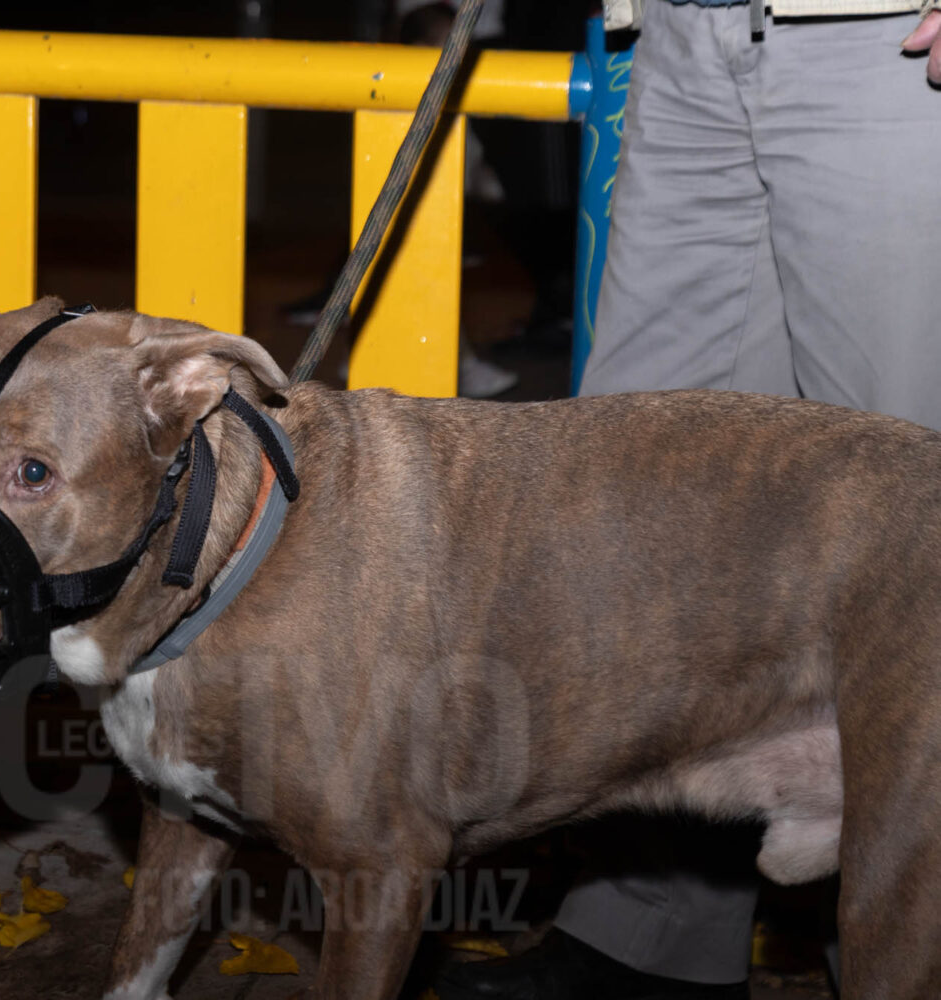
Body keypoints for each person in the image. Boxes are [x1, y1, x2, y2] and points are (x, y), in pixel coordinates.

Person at [440, 0, 941, 997]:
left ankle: (907, 953)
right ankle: (652, 935)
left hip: (883, 39)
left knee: (909, 544)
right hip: (684, 40)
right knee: (643, 518)